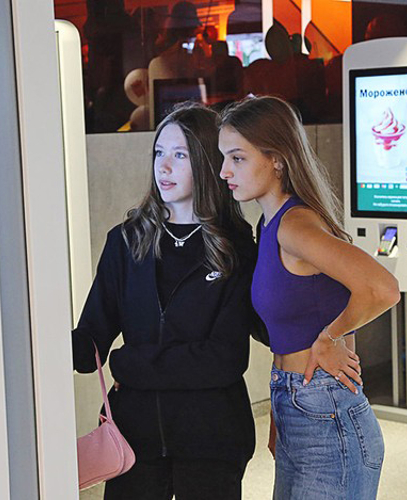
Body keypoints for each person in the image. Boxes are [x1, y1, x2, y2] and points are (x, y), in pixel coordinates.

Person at [218, 96, 401, 500]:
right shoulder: (270, 223)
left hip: (325, 412)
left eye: (237, 158)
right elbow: (321, 302)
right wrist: (278, 416)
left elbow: (382, 288)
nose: (224, 171)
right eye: (223, 158)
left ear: (277, 159)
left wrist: (331, 338)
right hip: (297, 402)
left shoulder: (295, 226)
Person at [72, 102, 256, 500]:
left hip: (212, 439)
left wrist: (127, 363)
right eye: (159, 153)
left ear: (206, 161)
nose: (164, 167)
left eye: (179, 155)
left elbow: (223, 360)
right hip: (135, 440)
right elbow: (91, 342)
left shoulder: (235, 247)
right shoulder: (125, 242)